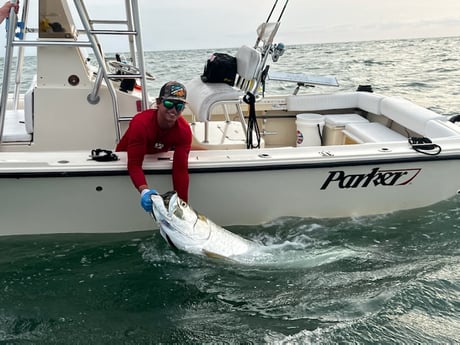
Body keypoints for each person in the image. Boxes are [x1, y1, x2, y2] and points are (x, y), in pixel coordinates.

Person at [116, 81, 192, 212]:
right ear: (158, 102)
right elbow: (134, 164)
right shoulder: (140, 123)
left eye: (179, 106)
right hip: (127, 157)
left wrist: (182, 207)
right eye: (169, 104)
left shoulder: (184, 130)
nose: (173, 110)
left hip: (156, 153)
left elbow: (180, 170)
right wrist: (144, 190)